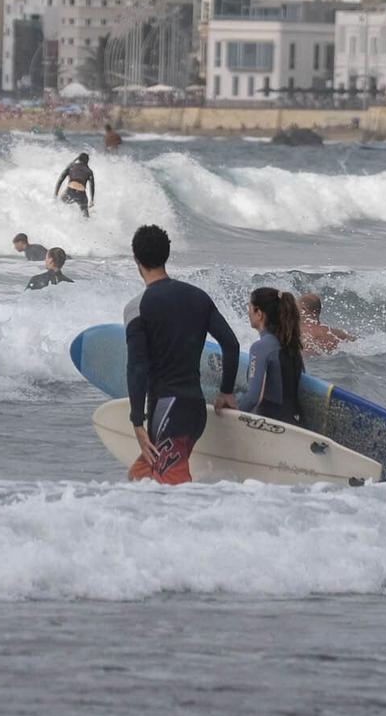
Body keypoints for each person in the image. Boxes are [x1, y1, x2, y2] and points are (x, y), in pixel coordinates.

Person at [124, 225, 238, 485]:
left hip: (167, 409)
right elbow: (231, 344)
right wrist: (226, 391)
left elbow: (137, 368)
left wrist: (137, 423)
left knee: (172, 490)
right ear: (166, 254)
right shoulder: (198, 297)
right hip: (195, 408)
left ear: (136, 259)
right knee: (138, 478)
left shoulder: (137, 307)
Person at [237, 287, 307, 426]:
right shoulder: (290, 345)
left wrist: (231, 416)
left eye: (250, 307)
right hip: (296, 424)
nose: (248, 312)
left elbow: (252, 398)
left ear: (259, 313)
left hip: (272, 427)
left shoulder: (261, 347)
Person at [54, 152, 96, 217]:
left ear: (78, 159)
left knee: (59, 208)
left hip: (69, 191)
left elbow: (60, 179)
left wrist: (56, 194)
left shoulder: (71, 166)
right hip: (81, 194)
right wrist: (92, 200)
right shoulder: (89, 171)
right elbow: (92, 186)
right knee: (86, 217)